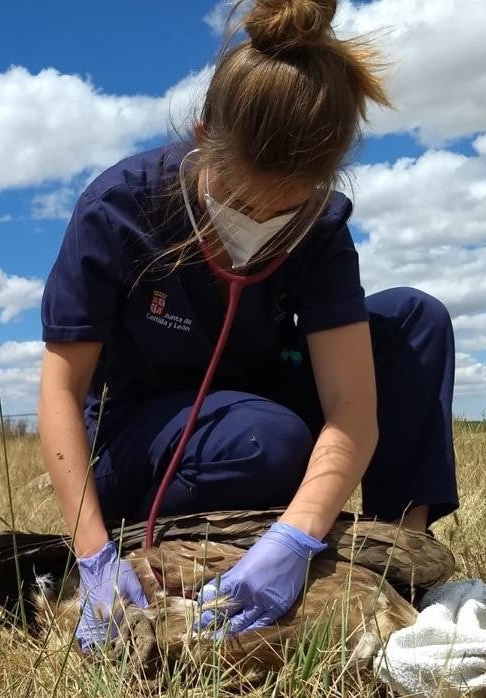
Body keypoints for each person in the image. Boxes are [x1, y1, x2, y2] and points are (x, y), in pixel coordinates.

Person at [37, 0, 459, 652]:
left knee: (414, 319)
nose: (260, 227)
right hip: (141, 438)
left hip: (255, 401)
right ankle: (199, 537)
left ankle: (398, 559)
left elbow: (352, 406)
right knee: (268, 441)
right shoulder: (118, 210)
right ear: (204, 137)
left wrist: (294, 540)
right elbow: (62, 391)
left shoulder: (320, 229)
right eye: (237, 200)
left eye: (289, 208)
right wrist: (91, 555)